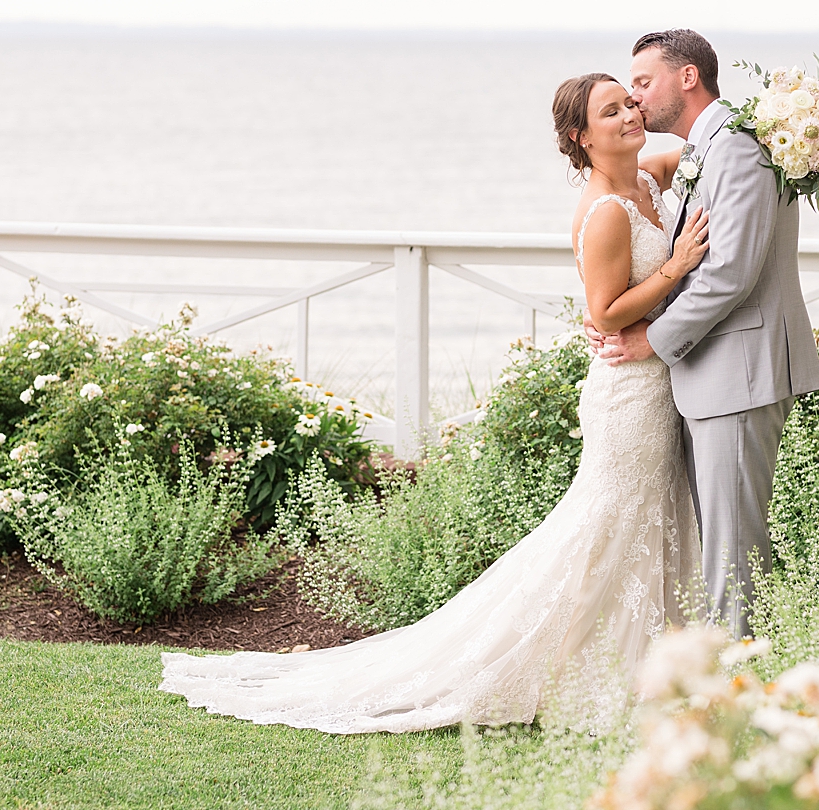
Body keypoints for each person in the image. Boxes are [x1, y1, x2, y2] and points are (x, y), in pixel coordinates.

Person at [158, 72, 711, 734]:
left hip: (656, 387)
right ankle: (564, 672)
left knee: (649, 522)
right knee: (604, 529)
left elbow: (705, 141)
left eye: (630, 101)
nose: (630, 113)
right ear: (580, 137)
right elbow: (605, 312)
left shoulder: (647, 178)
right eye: (611, 110)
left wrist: (770, 126)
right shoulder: (604, 214)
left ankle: (652, 666)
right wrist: (675, 267)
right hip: (627, 394)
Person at [591, 29, 819, 638]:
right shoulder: (706, 147)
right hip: (714, 373)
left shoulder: (737, 150)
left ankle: (734, 682)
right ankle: (733, 667)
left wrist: (652, 339)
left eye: (643, 83)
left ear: (687, 77)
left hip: (739, 370)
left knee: (732, 546)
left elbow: (730, 274)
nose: (635, 100)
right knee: (723, 540)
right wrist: (618, 311)